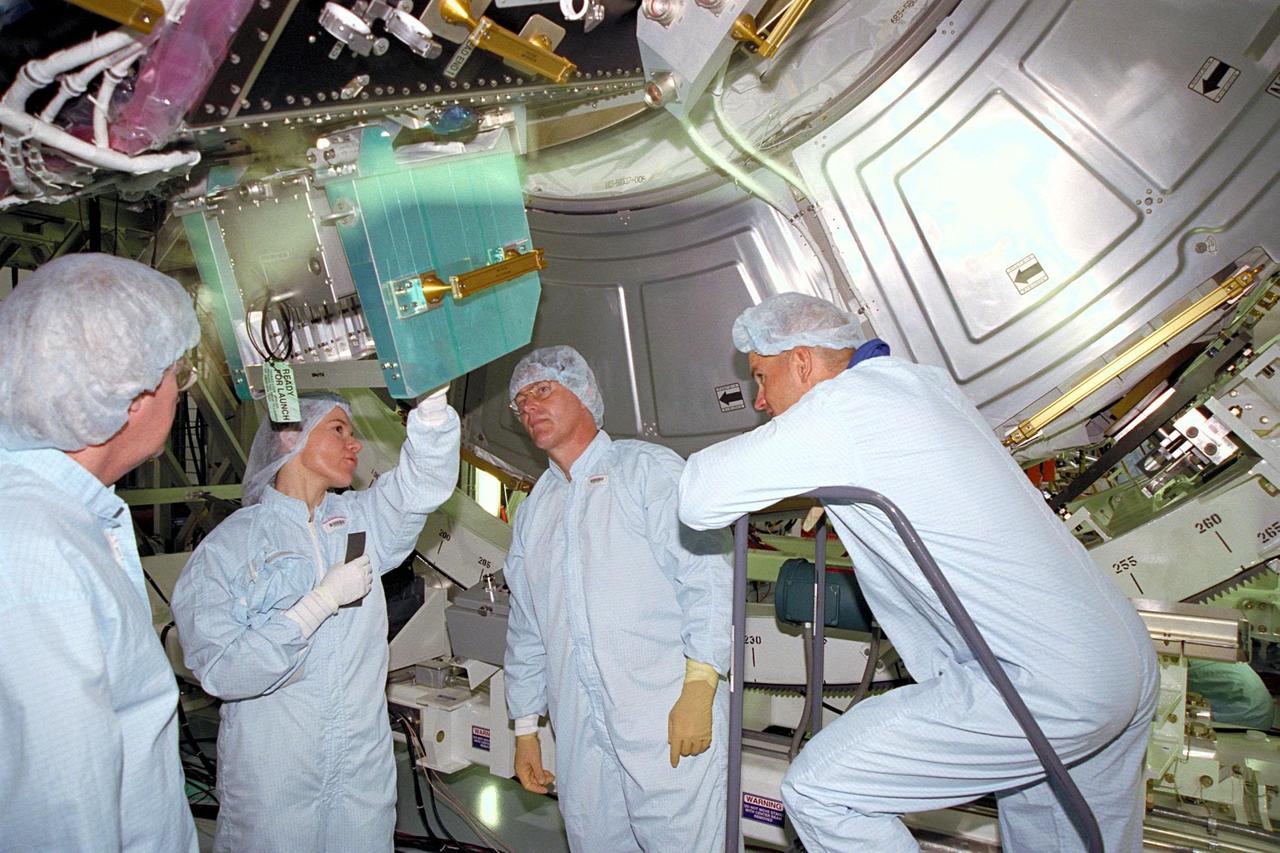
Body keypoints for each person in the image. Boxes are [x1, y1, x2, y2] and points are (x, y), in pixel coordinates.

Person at [678, 292, 1159, 852]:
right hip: (1117, 660)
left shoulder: (843, 407)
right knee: (1057, 836)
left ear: (802, 360)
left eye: (762, 376)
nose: (760, 400)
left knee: (823, 791)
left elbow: (699, 496)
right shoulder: (921, 385)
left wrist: (800, 476)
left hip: (1042, 682)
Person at [170, 390, 459, 852]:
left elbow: (420, 486)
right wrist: (316, 605)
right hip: (275, 777)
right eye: (338, 429)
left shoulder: (360, 521)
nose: (355, 443)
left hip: (360, 773)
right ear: (290, 437)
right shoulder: (230, 548)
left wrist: (432, 412)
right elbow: (223, 670)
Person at [0, 254, 201, 850]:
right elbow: (63, 813)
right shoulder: (36, 553)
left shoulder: (68, 517)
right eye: (178, 375)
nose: (180, 393)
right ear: (133, 397)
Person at [502, 345, 732, 851]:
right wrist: (525, 728)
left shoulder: (647, 471)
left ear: (583, 393)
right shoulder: (536, 509)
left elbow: (707, 578)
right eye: (521, 402)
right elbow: (527, 626)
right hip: (581, 737)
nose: (529, 407)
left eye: (543, 391)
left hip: (664, 720)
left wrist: (700, 686)